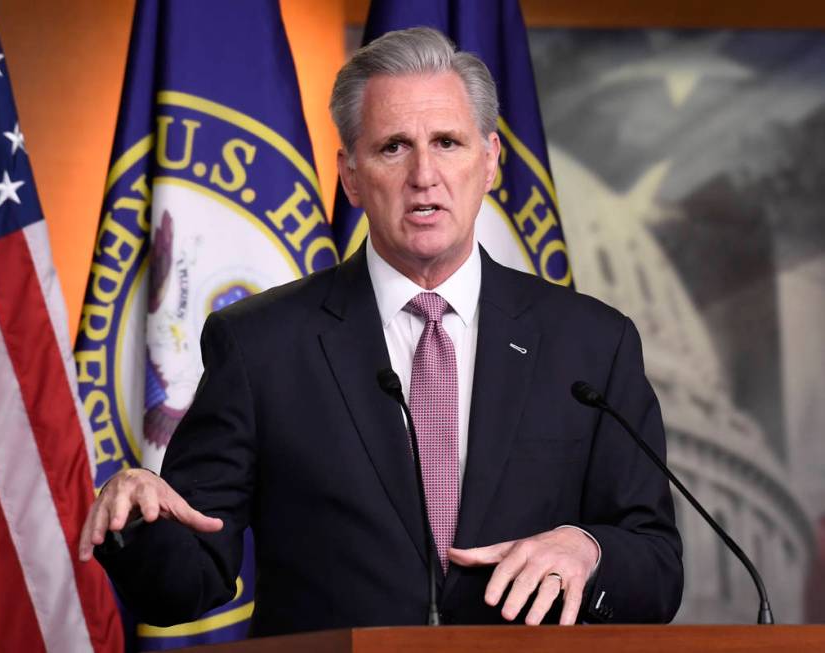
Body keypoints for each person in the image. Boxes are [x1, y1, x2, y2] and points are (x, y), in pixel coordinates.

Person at [78, 27, 682, 634]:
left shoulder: (590, 345)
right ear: (351, 176)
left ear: (490, 161)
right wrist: (140, 523)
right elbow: (188, 581)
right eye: (394, 147)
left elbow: (656, 564)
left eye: (447, 142)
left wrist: (589, 549)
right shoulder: (260, 345)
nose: (424, 174)